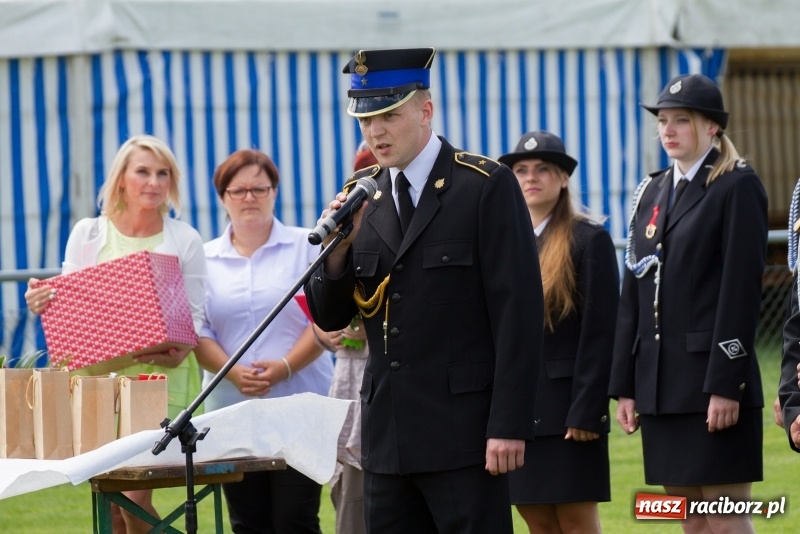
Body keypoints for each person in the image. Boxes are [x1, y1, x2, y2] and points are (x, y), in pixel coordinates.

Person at [304, 47, 544, 533]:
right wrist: (337, 252)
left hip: (467, 436)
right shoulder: (363, 194)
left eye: (389, 115)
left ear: (425, 110)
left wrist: (508, 426)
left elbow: (518, 315)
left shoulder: (484, 186)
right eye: (365, 119)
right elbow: (329, 317)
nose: (376, 132)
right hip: (388, 438)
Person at [24, 134, 207, 534]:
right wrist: (42, 299)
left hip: (161, 384)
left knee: (131, 502)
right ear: (121, 178)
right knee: (110, 508)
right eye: (143, 171)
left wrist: (182, 345)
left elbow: (194, 320)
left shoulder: (184, 238)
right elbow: (70, 306)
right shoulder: (89, 233)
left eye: (163, 173)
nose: (154, 182)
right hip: (97, 388)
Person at [609, 73, 767, 534]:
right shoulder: (652, 192)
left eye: (682, 120)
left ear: (712, 127)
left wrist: (726, 383)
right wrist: (626, 384)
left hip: (710, 383)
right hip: (662, 385)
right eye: (663, 121)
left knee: (725, 521)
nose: (668, 130)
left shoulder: (737, 186)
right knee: (692, 524)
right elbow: (632, 294)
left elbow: (740, 294)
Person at [194, 148, 332, 534]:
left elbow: (323, 317)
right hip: (232, 410)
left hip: (300, 404)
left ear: (275, 192)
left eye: (260, 187)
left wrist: (287, 365)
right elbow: (197, 330)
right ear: (222, 197)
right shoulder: (203, 259)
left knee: (296, 520)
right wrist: (233, 373)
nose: (249, 197)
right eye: (238, 190)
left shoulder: (307, 246)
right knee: (247, 521)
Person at [498, 131, 618, 533]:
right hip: (519, 413)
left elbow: (600, 334)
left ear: (563, 178)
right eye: (521, 170)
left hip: (569, 412)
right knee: (536, 521)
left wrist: (588, 409)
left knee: (575, 519)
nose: (531, 178)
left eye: (543, 169)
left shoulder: (589, 239)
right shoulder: (502, 242)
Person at [310, 141, 375, 534]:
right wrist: (328, 332)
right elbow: (320, 311)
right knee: (352, 504)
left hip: (394, 381)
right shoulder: (346, 224)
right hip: (351, 382)